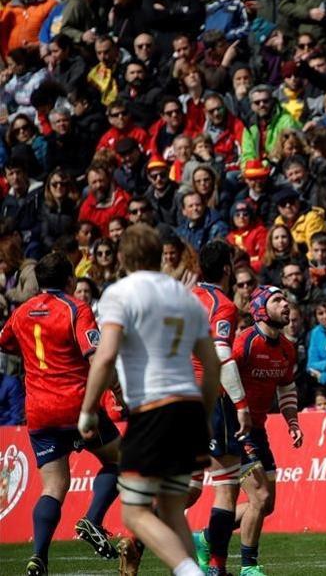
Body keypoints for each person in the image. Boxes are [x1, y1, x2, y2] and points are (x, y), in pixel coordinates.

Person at [77, 224, 220, 576]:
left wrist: (87, 410)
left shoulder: (119, 293)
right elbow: (212, 362)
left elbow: (106, 356)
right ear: (160, 256)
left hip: (154, 409)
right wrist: (203, 413)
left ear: (123, 258)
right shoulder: (186, 296)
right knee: (172, 510)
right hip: (188, 406)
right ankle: (190, 571)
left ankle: (190, 572)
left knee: (134, 512)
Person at [0, 252, 122, 576]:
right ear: (70, 280)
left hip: (39, 411)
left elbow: (5, 342)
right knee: (119, 459)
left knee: (53, 486)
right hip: (76, 405)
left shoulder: (22, 312)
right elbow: (96, 357)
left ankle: (38, 556)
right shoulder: (76, 308)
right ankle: (92, 520)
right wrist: (117, 391)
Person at [190, 241, 264, 576]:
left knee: (186, 486)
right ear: (226, 269)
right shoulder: (223, 305)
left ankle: (136, 537)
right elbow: (222, 354)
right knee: (225, 486)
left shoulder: (182, 299)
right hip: (209, 399)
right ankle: (216, 567)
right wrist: (241, 404)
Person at [223, 285, 305, 574]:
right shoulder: (245, 343)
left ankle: (209, 536)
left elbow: (286, 387)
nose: (286, 304)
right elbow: (222, 372)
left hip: (258, 429)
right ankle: (249, 567)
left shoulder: (286, 349)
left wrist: (292, 422)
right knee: (259, 497)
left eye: (286, 299)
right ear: (259, 309)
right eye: (277, 300)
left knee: (266, 505)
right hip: (233, 427)